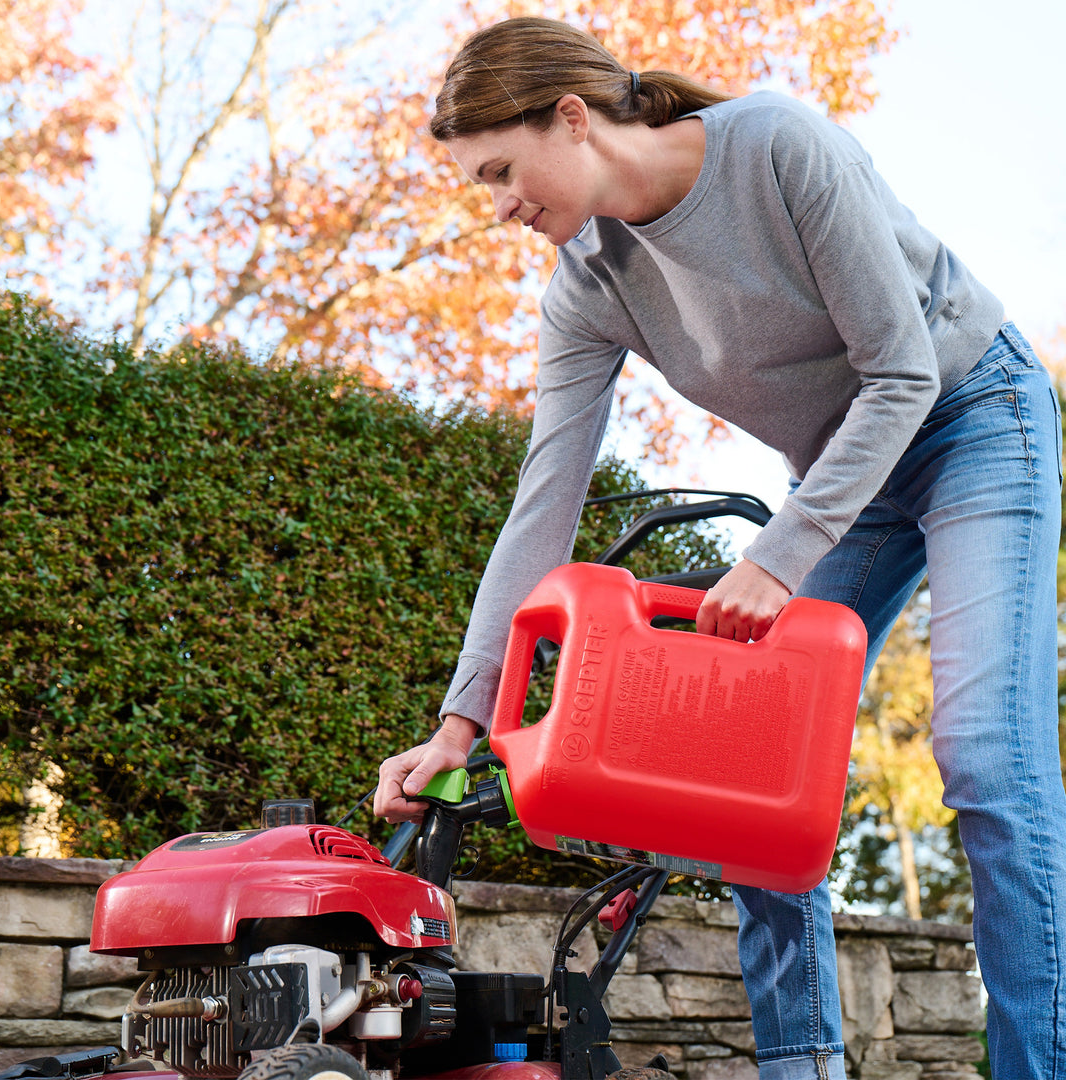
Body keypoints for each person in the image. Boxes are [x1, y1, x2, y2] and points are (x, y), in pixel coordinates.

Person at [373, 16, 1066, 1078]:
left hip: (974, 417)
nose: (501, 205)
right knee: (752, 776)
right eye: (483, 185)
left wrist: (779, 557)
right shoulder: (587, 286)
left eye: (503, 171)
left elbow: (903, 375)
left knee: (984, 759)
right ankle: (803, 1066)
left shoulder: (778, 145)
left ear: (572, 116)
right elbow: (543, 506)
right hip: (848, 474)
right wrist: (461, 723)